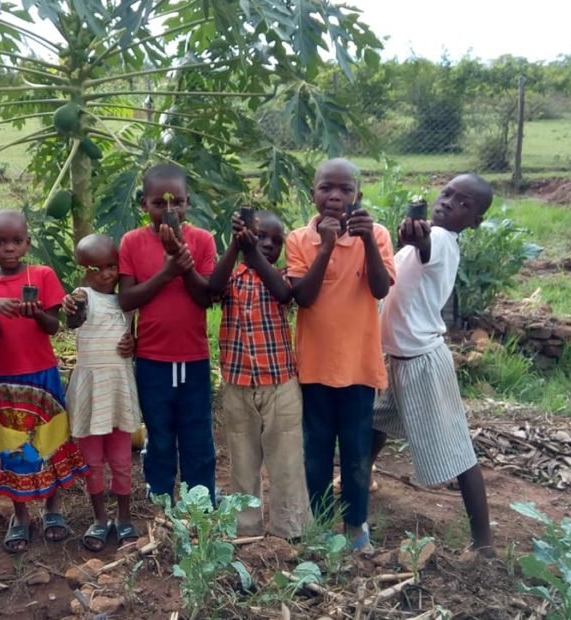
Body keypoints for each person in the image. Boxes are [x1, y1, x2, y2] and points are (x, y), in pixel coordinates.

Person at [371, 175, 496, 558]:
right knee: (375, 424)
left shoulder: (439, 241)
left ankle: (483, 541)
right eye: (446, 194)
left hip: (422, 363)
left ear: (473, 221)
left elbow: (426, 243)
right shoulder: (428, 242)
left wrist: (419, 235)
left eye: (463, 203)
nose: (448, 203)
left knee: (456, 449)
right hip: (396, 358)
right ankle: (358, 480)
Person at [286, 158, 395, 553]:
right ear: (312, 193)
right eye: (326, 188)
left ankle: (355, 525)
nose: (335, 196)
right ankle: (318, 524)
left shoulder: (377, 235)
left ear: (358, 196)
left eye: (345, 190)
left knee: (355, 452)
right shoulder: (299, 239)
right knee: (315, 452)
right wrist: (327, 246)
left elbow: (381, 289)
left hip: (359, 368)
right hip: (313, 368)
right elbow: (303, 297)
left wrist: (364, 241)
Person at [0, 209, 88, 553]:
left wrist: (36, 311)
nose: (8, 247)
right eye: (0, 241)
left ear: (27, 243)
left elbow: (54, 327)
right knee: (12, 444)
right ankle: (20, 514)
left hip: (43, 373)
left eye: (16, 241)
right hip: (7, 378)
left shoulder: (43, 275)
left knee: (48, 438)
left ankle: (52, 508)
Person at [209, 209, 311, 539]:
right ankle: (246, 528)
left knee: (287, 462)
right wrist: (235, 248)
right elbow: (211, 288)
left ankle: (290, 529)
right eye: (260, 237)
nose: (268, 244)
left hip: (280, 384)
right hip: (237, 386)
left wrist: (252, 252)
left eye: (275, 240)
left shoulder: (281, 275)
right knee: (242, 462)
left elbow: (284, 295)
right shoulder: (232, 275)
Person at [118, 163, 218, 502]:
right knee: (159, 433)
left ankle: (200, 499)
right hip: (152, 359)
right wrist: (166, 272)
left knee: (197, 433)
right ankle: (160, 496)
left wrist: (182, 262)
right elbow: (127, 298)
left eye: (177, 202)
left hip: (194, 357)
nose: (169, 210)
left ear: (188, 202)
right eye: (159, 203)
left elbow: (206, 297)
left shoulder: (202, 241)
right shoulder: (132, 242)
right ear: (143, 204)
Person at [61, 233, 141, 552]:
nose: (107, 274)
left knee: (122, 461)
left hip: (119, 388)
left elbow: (131, 337)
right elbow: (73, 319)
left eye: (112, 266)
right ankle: (99, 518)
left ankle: (124, 517)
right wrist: (71, 307)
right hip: (91, 391)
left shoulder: (127, 299)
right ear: (83, 270)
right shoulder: (82, 297)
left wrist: (133, 343)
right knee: (92, 461)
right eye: (97, 268)